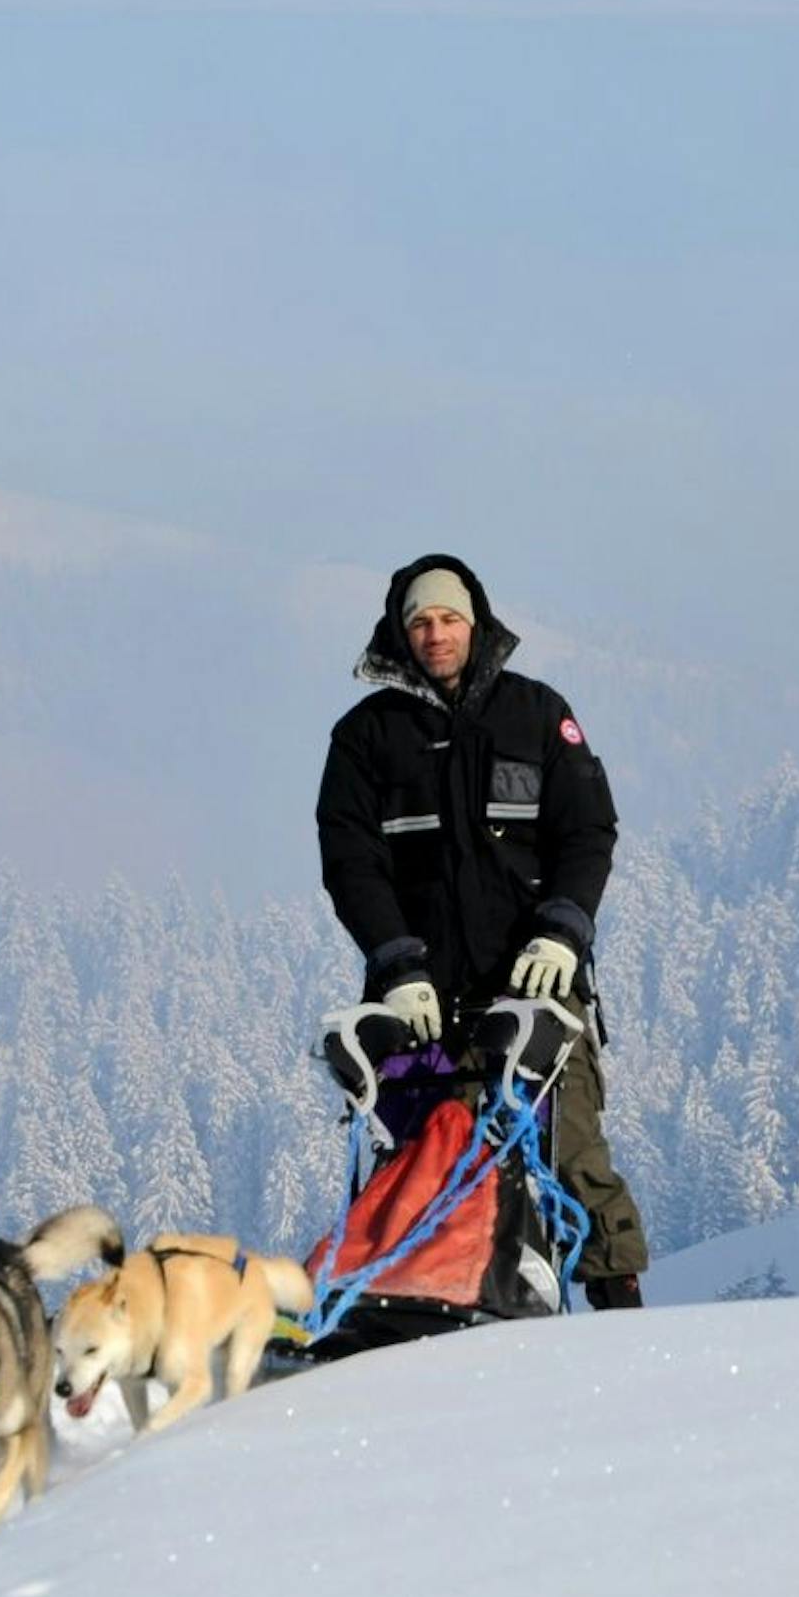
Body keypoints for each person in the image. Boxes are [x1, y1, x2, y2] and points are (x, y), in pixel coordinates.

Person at [315, 554, 651, 1309]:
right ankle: (407, 1306)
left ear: (476, 623)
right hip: (418, 998)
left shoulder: (536, 716)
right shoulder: (366, 738)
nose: (436, 635)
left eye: (448, 619)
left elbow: (588, 830)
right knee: (418, 1160)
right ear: (401, 636)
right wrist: (397, 964)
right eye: (420, 623)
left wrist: (563, 932)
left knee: (571, 1150)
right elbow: (350, 862)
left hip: (535, 984)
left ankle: (618, 1306)